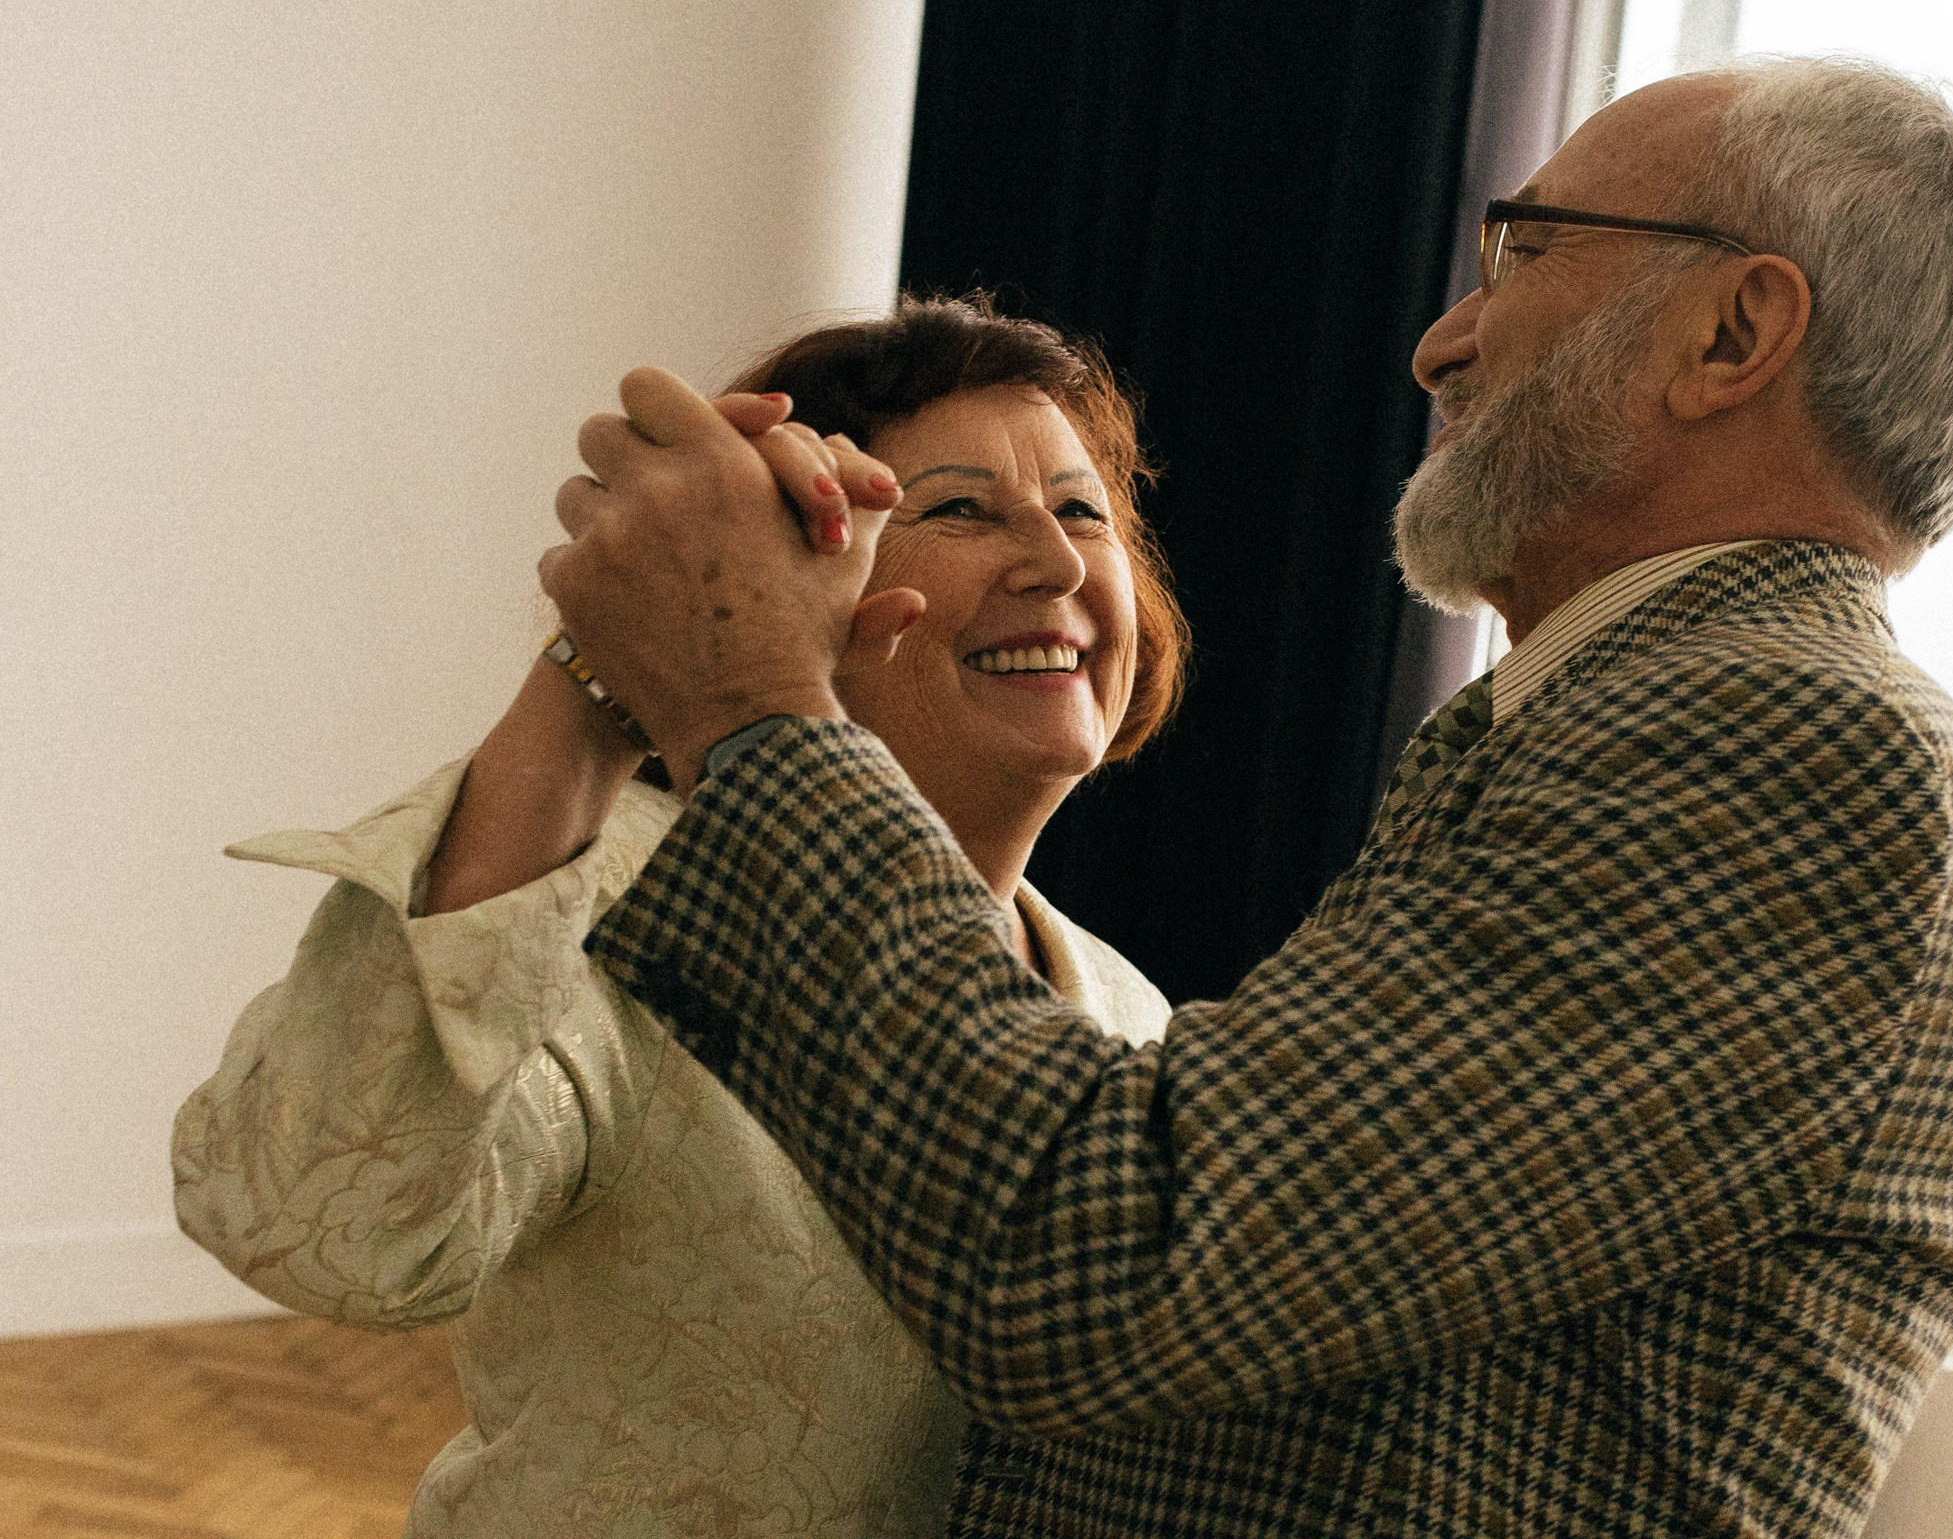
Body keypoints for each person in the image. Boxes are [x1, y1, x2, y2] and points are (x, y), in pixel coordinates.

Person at [539, 56, 1953, 1537]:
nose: (1443, 339)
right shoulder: (1641, 719)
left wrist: (751, 695)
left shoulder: (1780, 747)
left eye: (1525, 252)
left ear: (1733, 335)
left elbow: (1098, 1262)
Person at [173, 297, 1191, 1538]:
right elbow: (323, 1225)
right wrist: (612, 659)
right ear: (797, 584)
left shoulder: (1132, 1013)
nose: (1059, 561)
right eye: (964, 509)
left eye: (1084, 509)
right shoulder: (623, 904)